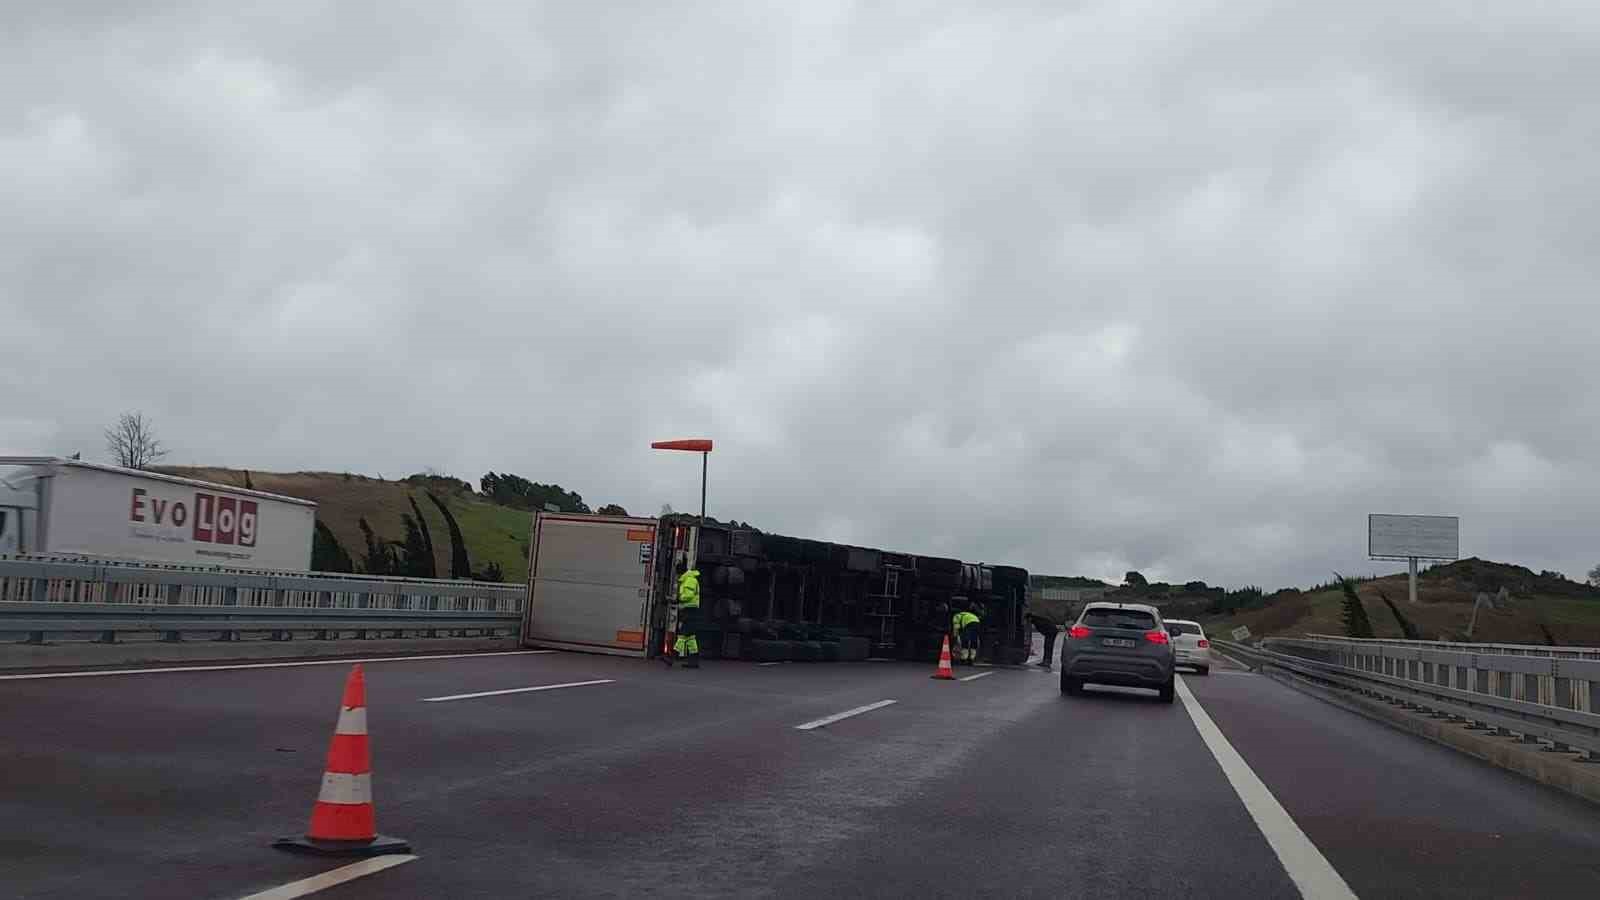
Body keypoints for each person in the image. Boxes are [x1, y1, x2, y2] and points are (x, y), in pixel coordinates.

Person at [665, 560, 702, 669]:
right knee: (691, 637)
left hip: (690, 611)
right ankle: (694, 661)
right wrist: (675, 600)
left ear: (680, 572)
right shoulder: (687, 579)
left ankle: (672, 657)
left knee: (682, 634)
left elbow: (688, 596)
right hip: (690, 610)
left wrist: (677, 599)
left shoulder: (689, 580)